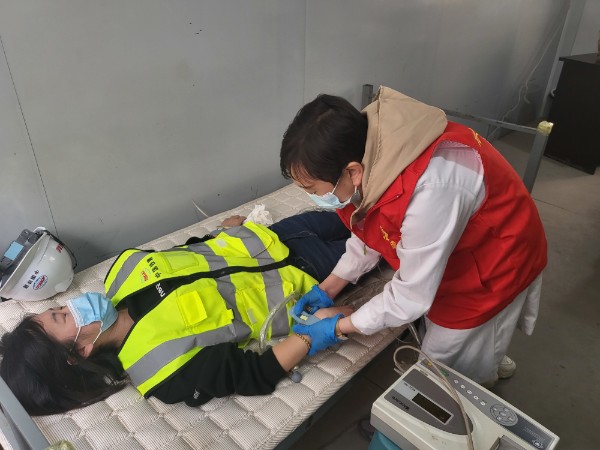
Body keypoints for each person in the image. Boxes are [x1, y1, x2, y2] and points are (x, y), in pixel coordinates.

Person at [279, 86, 547, 387]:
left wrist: (338, 328)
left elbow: (410, 296)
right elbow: (369, 226)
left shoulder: (431, 188)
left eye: (313, 190)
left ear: (352, 172)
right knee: (463, 343)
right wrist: (329, 287)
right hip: (459, 240)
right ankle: (486, 353)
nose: (313, 198)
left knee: (444, 368)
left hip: (498, 259)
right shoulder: (370, 156)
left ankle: (480, 372)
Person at [0, 211, 352, 415]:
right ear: (81, 350)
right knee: (381, 235)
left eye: (58, 307)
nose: (71, 304)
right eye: (63, 316)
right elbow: (254, 374)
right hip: (308, 277)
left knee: (361, 206)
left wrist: (222, 232)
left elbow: (189, 254)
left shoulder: (123, 270)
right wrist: (312, 335)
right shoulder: (161, 370)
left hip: (271, 236)